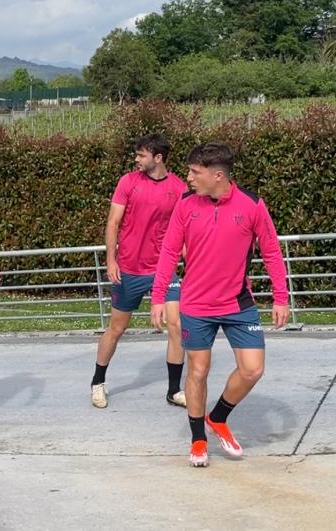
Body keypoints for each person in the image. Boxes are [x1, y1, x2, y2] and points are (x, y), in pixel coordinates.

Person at [150, 142, 290, 467]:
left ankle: (219, 416)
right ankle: (198, 440)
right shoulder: (186, 205)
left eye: (195, 172)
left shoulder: (252, 205)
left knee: (253, 369)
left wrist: (281, 297)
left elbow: (270, 251)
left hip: (238, 303)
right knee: (198, 370)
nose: (188, 178)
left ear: (217, 175)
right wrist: (158, 297)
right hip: (196, 305)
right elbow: (170, 252)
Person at [92, 134, 189, 409]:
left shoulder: (178, 188)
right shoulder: (128, 182)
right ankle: (97, 382)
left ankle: (173, 390)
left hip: (162, 269)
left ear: (158, 158)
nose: (136, 160)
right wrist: (111, 260)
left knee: (177, 326)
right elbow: (113, 222)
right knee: (117, 328)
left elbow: (183, 230)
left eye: (141, 155)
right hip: (129, 269)